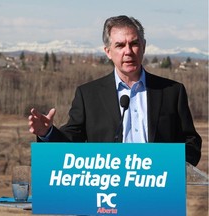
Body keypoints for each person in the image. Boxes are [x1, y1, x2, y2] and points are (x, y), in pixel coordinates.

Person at [28, 15, 202, 166]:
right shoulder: (88, 95)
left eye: (134, 43)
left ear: (143, 46)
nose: (128, 52)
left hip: (159, 192)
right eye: (120, 45)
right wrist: (47, 133)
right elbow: (72, 144)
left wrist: (170, 166)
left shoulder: (171, 92)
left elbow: (191, 142)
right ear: (108, 52)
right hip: (107, 195)